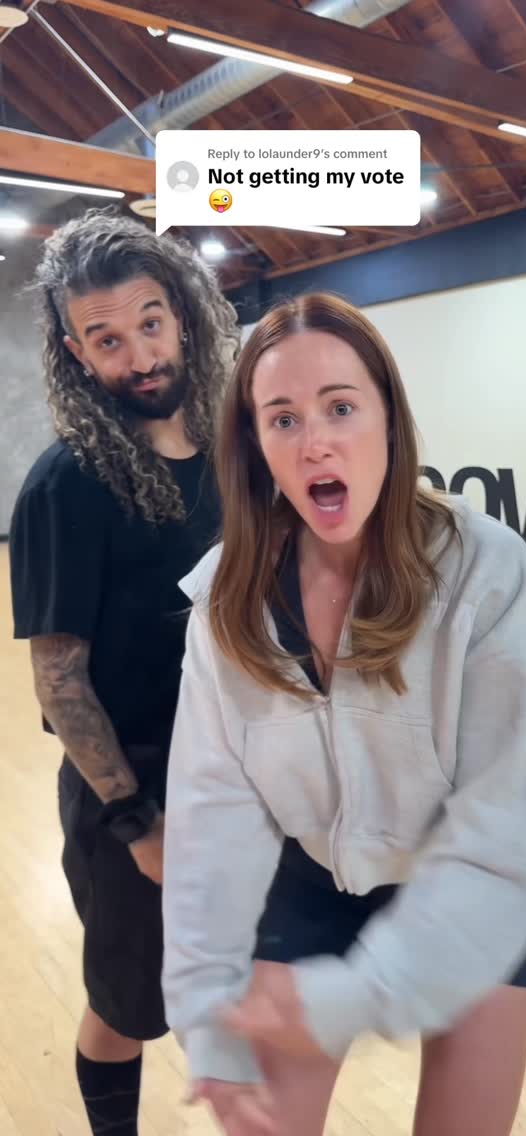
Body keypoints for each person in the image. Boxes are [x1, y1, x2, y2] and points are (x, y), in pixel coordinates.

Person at [161, 292, 526, 1136]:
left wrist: (353, 995)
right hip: (310, 884)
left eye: (340, 407)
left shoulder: (487, 572)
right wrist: (205, 1005)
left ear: (388, 418)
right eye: (282, 418)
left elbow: (505, 829)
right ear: (256, 444)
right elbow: (209, 814)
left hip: (467, 888)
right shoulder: (227, 597)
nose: (314, 442)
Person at [9, 207, 239, 1136]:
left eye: (150, 323)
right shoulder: (65, 486)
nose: (140, 356)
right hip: (134, 799)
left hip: (237, 777)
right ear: (77, 351)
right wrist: (138, 821)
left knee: (239, 977)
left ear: (181, 313)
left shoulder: (231, 453)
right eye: (108, 340)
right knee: (128, 1008)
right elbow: (61, 683)